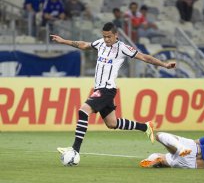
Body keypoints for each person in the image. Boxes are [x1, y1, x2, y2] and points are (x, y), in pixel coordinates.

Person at [50, 22, 176, 156]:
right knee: (112, 123)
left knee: (83, 111)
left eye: (109, 36)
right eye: (104, 36)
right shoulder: (100, 43)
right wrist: (63, 41)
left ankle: (74, 150)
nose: (106, 39)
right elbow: (84, 45)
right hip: (99, 89)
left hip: (107, 90)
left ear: (116, 35)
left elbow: (144, 57)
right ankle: (145, 127)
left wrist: (165, 65)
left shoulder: (123, 48)